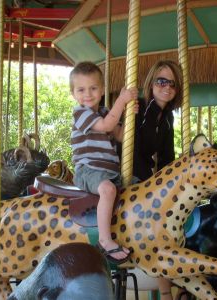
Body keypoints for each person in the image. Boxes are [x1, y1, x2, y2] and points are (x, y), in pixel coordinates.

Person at [70, 61, 138, 264]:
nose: (88, 94)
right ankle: (105, 239)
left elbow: (119, 135)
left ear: (101, 90)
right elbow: (107, 125)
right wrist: (122, 101)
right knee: (108, 191)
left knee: (140, 186)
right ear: (74, 94)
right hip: (88, 170)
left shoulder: (104, 111)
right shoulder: (80, 113)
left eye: (93, 88)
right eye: (81, 89)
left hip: (110, 171)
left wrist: (128, 115)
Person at [132, 60, 184, 299]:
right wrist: (149, 183)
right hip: (131, 172)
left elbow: (167, 157)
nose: (167, 87)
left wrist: (171, 184)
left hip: (146, 177)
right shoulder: (141, 107)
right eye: (161, 81)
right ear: (151, 83)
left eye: (172, 83)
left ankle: (171, 288)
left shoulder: (167, 118)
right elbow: (134, 148)